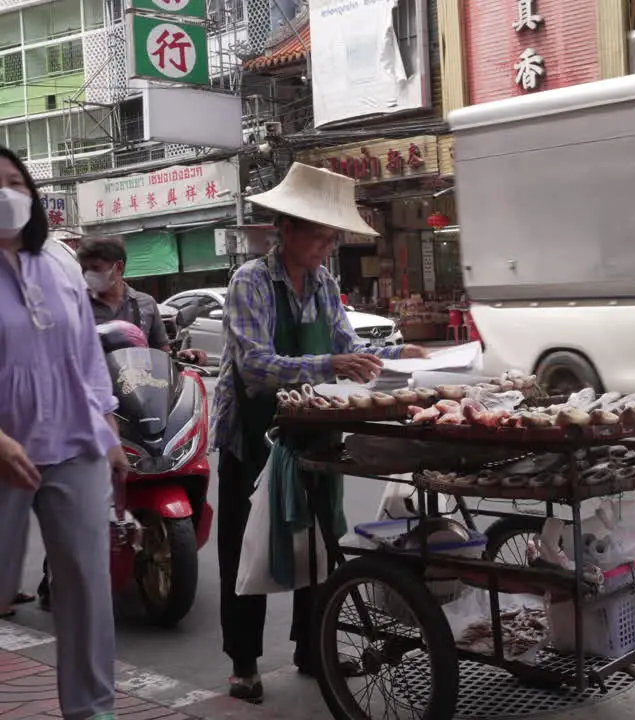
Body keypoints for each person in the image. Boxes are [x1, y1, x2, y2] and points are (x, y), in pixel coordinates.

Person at [210, 163, 429, 703]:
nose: (326, 247)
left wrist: (400, 354)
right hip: (254, 434)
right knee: (246, 547)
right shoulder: (251, 282)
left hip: (315, 430)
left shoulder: (326, 283)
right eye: (318, 235)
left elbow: (347, 347)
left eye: (332, 237)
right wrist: (330, 363)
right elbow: (257, 367)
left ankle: (314, 646)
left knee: (321, 542)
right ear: (285, 229)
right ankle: (244, 663)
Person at [0, 145, 130, 720]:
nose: (7, 194)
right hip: (4, 449)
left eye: (14, 181)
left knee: (85, 585)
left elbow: (85, 355)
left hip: (74, 445)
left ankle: (92, 711)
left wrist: (107, 430)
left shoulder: (56, 258)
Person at [77, 236, 207, 364]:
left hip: (138, 382)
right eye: (84, 269)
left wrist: (180, 356)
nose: (87, 275)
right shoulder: (77, 306)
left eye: (95, 268)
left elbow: (161, 353)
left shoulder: (146, 303)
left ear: (119, 267)